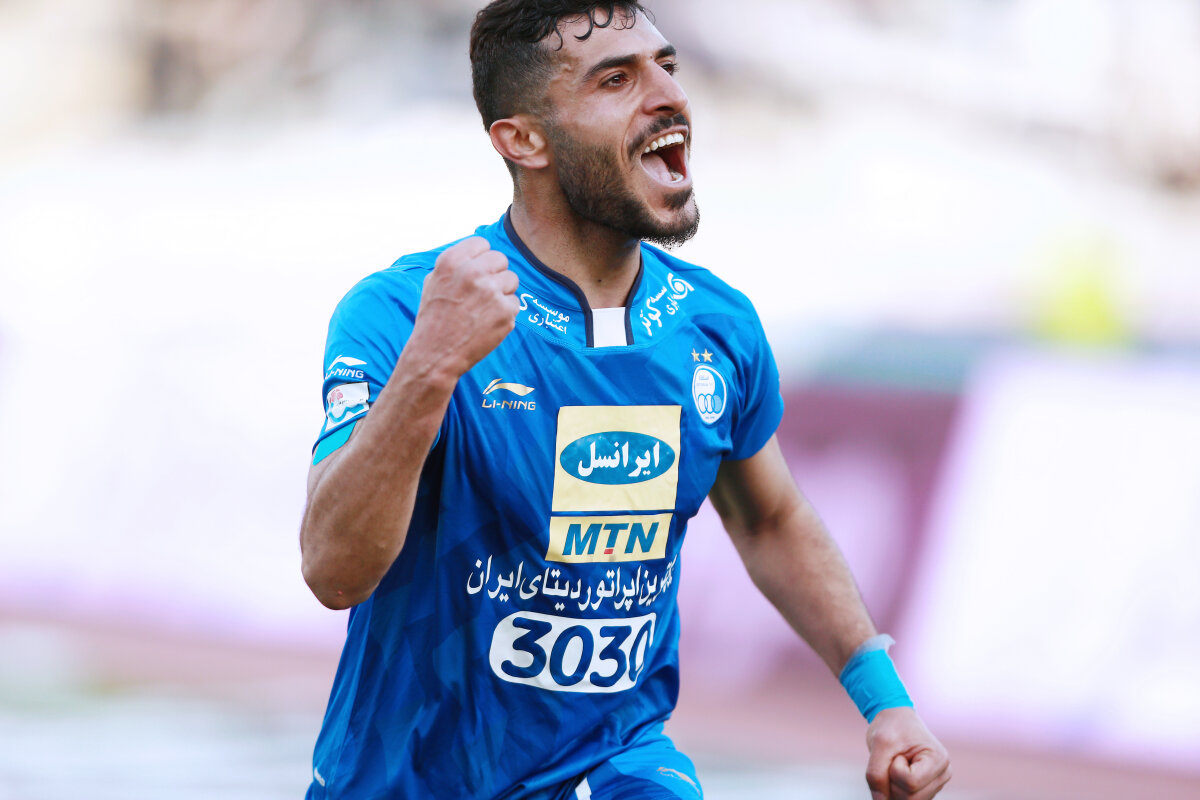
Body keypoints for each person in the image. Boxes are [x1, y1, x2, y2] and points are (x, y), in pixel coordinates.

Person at [299, 2, 952, 798]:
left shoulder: (715, 325)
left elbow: (770, 518)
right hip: (408, 779)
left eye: (666, 67)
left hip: (617, 766)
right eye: (616, 79)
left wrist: (886, 703)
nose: (669, 95)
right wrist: (428, 372)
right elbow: (333, 574)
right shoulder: (406, 312)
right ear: (523, 140)